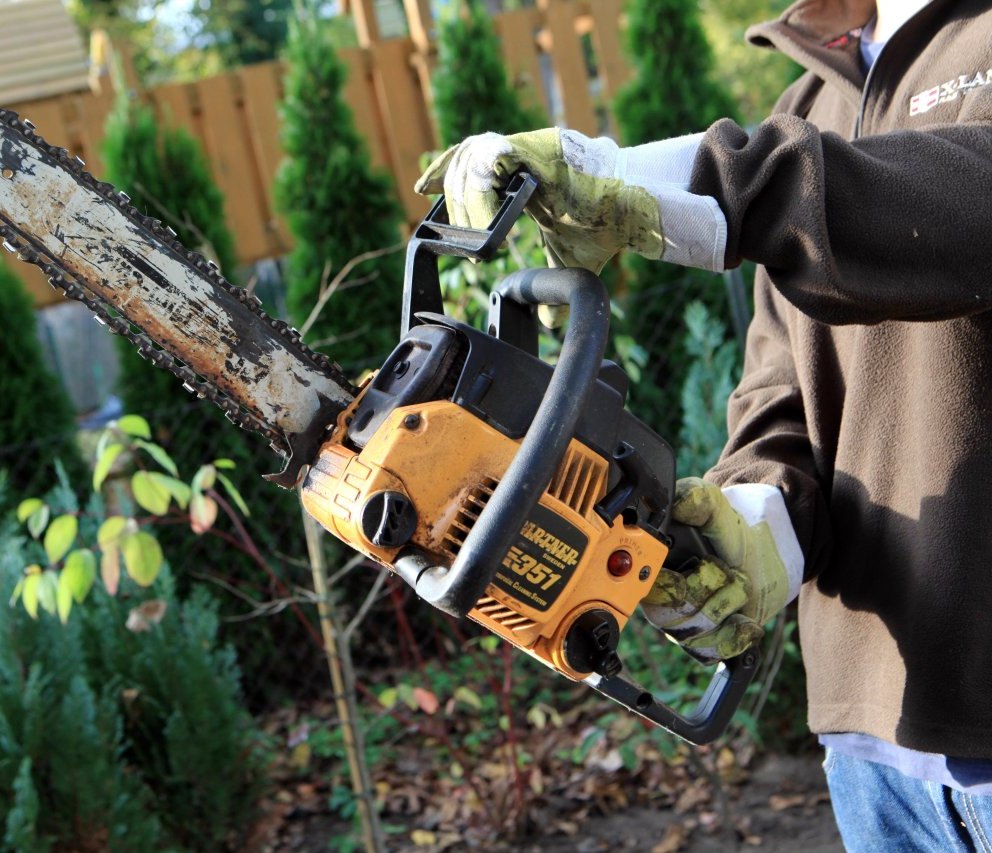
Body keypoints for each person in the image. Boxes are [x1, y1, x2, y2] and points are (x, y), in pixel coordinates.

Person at [416, 0, 992, 847]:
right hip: (873, 749)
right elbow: (784, 397)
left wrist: (677, 180)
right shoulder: (809, 104)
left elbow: (964, 201)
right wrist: (753, 524)